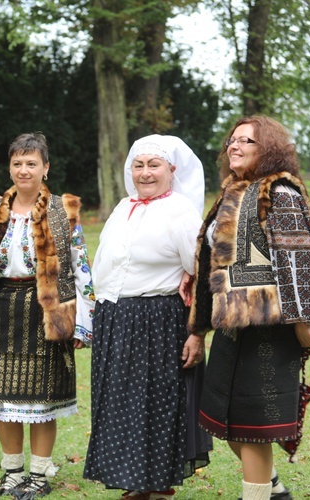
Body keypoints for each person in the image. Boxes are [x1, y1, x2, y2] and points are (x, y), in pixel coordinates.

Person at [188, 116, 310, 500]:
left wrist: (302, 322)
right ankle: (275, 490)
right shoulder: (233, 190)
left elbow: (298, 260)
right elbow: (209, 263)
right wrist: (198, 328)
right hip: (231, 325)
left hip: (269, 327)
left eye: (247, 141)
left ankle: (259, 495)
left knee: (254, 427)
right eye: (233, 140)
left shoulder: (281, 191)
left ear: (269, 149)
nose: (235, 145)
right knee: (229, 423)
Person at [83, 135, 212, 500]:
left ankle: (156, 485)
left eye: (154, 165)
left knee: (153, 407)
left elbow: (202, 275)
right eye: (138, 165)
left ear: (172, 170)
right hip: (116, 320)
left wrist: (197, 332)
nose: (145, 173)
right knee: (121, 406)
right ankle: (136, 482)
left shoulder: (180, 212)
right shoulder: (123, 206)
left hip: (155, 322)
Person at [0, 132, 95, 499]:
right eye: (17, 163)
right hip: (3, 307)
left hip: (48, 311)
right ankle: (12, 473)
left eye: (31, 163)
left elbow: (80, 266)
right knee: (5, 395)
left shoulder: (63, 210)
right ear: (9, 167)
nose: (24, 170)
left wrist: (82, 322)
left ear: (46, 168)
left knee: (43, 399)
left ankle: (39, 476)